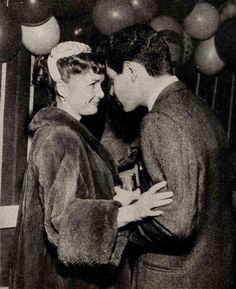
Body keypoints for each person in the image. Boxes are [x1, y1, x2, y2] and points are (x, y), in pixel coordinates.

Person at [9, 41, 173, 289]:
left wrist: (117, 198)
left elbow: (78, 195)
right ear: (62, 89)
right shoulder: (57, 138)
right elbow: (62, 220)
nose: (101, 93)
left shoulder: (71, 134)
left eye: (102, 84)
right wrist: (131, 212)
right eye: (92, 85)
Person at [100, 24, 235, 289]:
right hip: (212, 271)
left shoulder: (159, 120)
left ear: (131, 70)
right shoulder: (199, 108)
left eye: (112, 81)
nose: (112, 93)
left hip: (173, 278)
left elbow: (176, 224)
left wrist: (126, 220)